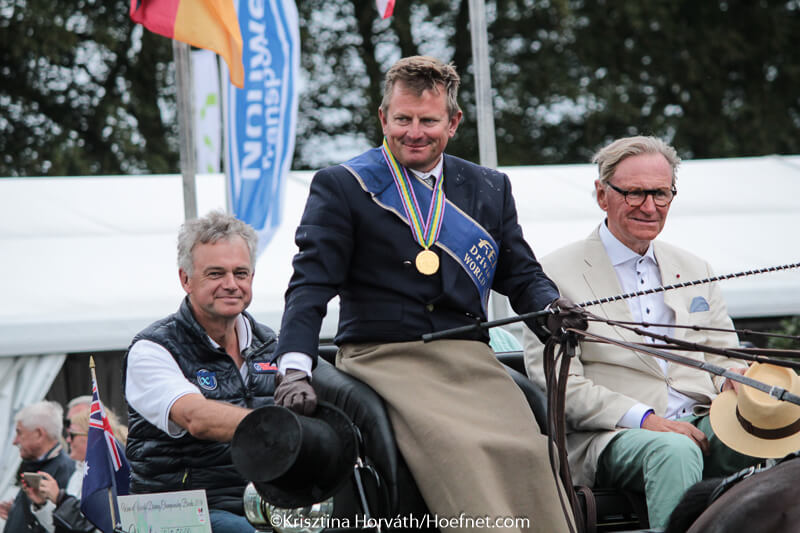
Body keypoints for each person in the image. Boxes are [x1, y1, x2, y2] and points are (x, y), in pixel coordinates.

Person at [271, 55, 585, 533]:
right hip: (384, 357)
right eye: (403, 119)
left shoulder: (489, 187)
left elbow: (521, 274)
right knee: (462, 450)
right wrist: (294, 367)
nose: (414, 133)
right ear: (383, 119)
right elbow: (310, 284)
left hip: (471, 361)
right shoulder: (344, 186)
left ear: (453, 123)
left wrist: (550, 307)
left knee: (530, 451)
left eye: (428, 121)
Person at [523, 135, 759, 530]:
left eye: (660, 194)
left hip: (703, 419)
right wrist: (647, 419)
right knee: (674, 450)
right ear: (602, 195)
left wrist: (737, 380)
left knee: (780, 428)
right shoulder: (550, 275)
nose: (649, 207)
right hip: (609, 435)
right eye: (635, 193)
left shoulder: (695, 267)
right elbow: (558, 385)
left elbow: (723, 356)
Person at [123, 210, 278, 533]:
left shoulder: (271, 344)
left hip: (261, 506)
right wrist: (284, 430)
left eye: (241, 273)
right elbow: (197, 418)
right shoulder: (152, 349)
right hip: (172, 514)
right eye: (216, 274)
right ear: (185, 279)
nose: (231, 284)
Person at [24, 407, 128, 533]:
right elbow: (62, 527)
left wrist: (60, 499)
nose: (67, 439)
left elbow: (97, 528)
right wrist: (43, 505)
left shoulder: (109, 477)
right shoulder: (78, 472)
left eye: (72, 435)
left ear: (92, 437)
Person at [0, 401, 75, 533]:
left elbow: (60, 525)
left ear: (39, 434)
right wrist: (16, 513)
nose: (15, 441)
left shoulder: (65, 471)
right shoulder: (35, 464)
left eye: (19, 433)